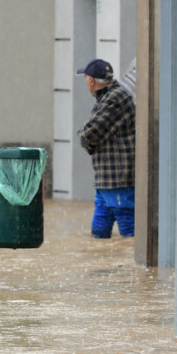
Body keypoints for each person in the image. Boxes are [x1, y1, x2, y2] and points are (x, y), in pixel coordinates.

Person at [77, 58, 136, 239]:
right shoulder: (106, 97)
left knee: (129, 231)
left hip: (118, 180)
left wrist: (84, 136)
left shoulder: (115, 98)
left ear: (91, 81)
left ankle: (132, 267)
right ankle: (103, 267)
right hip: (106, 180)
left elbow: (90, 134)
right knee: (99, 234)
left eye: (85, 78)